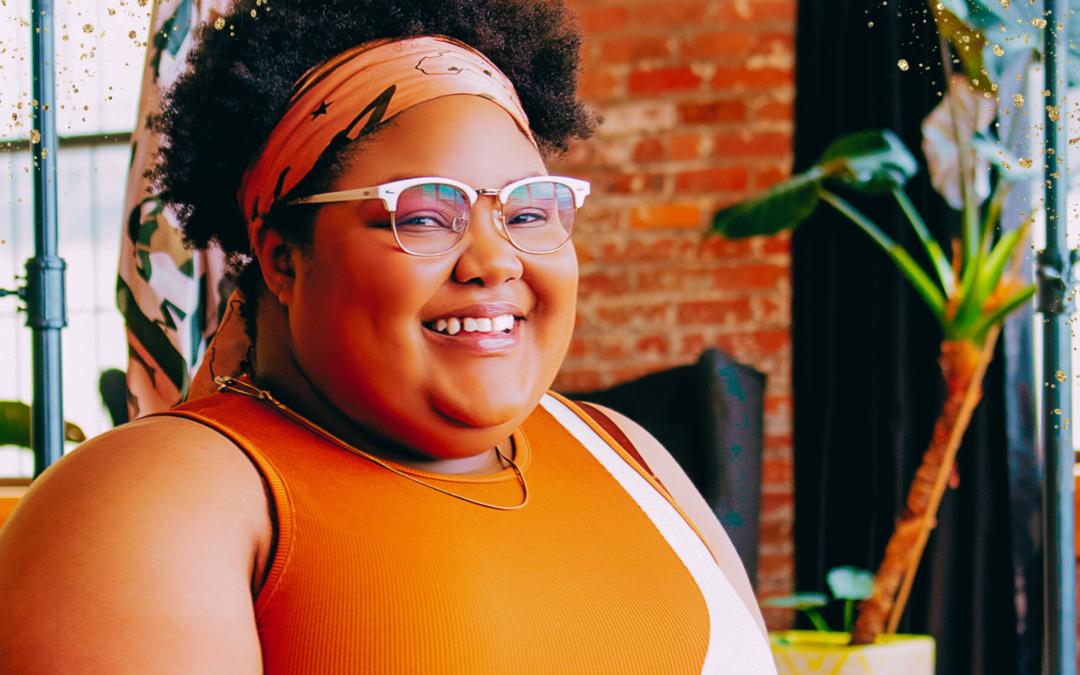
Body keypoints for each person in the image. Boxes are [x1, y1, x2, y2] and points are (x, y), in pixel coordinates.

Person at [0, 0, 776, 672]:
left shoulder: (630, 452)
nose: (495, 259)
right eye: (423, 215)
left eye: (529, 210)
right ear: (282, 256)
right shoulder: (158, 499)